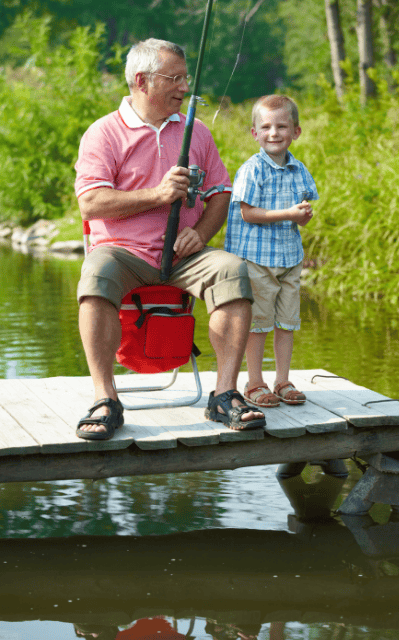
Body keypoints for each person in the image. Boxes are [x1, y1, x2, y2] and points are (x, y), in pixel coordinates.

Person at [74, 38, 266, 439]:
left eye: (185, 78)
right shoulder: (103, 133)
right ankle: (105, 398)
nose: (184, 87)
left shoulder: (196, 132)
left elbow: (220, 194)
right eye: (174, 78)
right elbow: (91, 202)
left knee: (232, 271)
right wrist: (158, 195)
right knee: (95, 276)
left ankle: (225, 394)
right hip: (123, 253)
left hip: (185, 255)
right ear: (142, 81)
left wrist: (201, 233)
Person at [224, 95, 318, 407]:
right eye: (265, 127)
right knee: (258, 322)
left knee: (287, 321)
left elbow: (301, 212)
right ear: (254, 133)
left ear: (296, 132)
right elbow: (247, 213)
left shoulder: (299, 170)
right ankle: (254, 382)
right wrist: (289, 214)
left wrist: (302, 216)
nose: (274, 133)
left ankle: (282, 380)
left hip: (289, 257)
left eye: (281, 126)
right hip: (258, 259)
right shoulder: (252, 170)